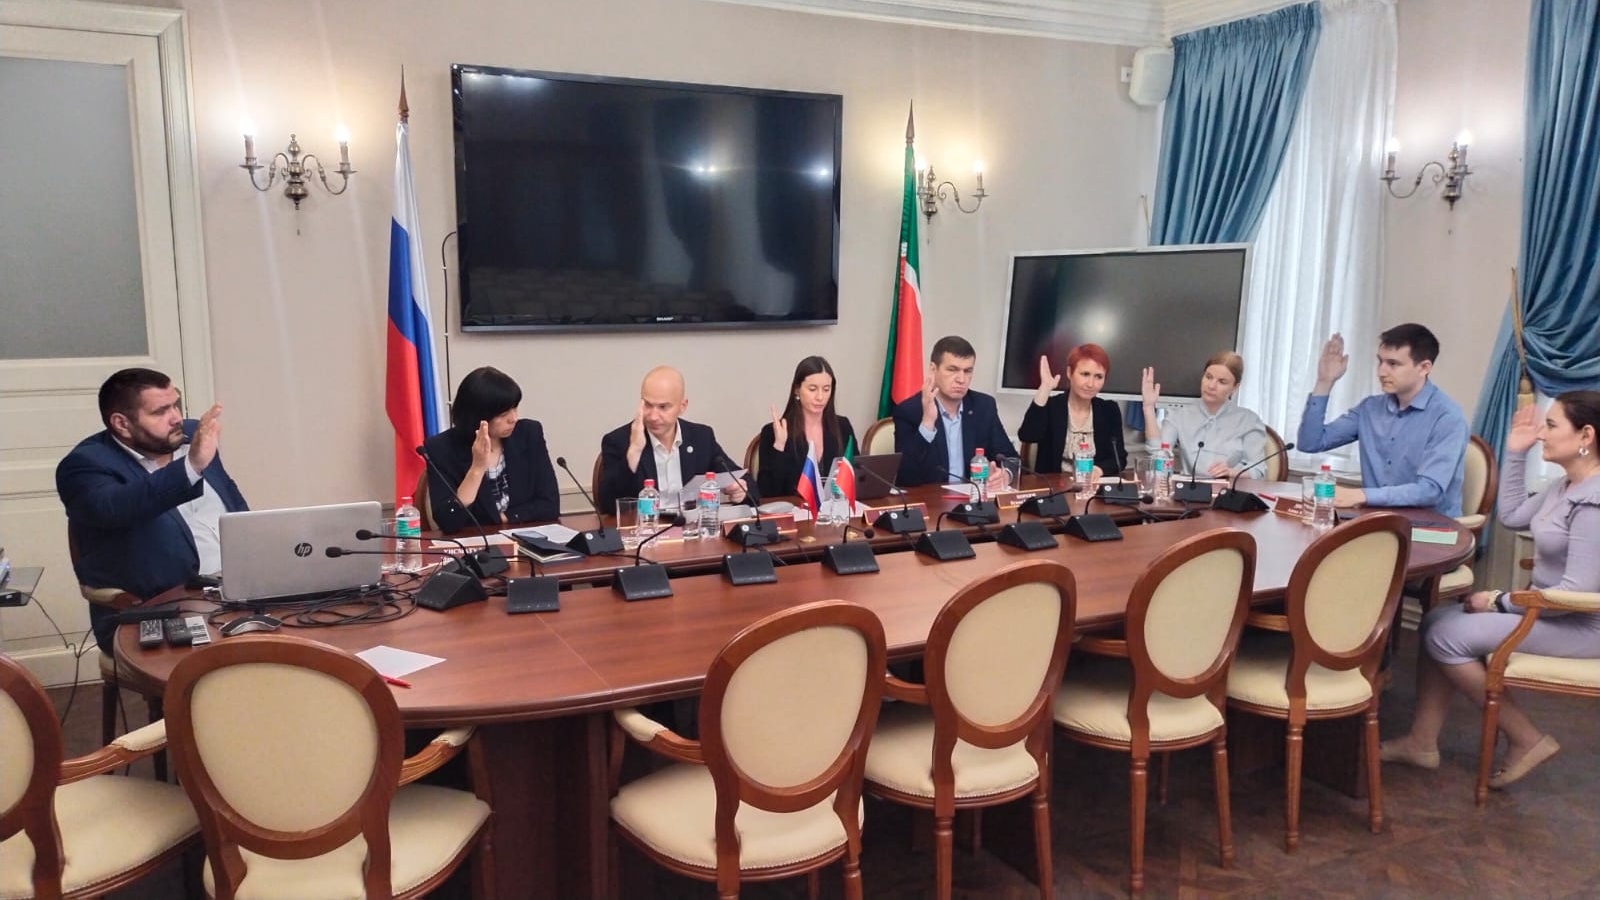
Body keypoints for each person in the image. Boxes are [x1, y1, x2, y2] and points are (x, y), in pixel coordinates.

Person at [1381, 392, 1600, 789]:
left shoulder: (1593, 502)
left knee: (1447, 637)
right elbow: (1513, 516)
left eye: (1552, 426)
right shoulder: (1566, 486)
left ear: (1586, 435)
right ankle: (1421, 742)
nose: (1542, 434)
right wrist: (1515, 454)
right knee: (1435, 620)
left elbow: (1577, 592)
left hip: (1581, 626)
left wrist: (1499, 601)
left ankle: (1526, 737)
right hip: (1549, 611)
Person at [56, 368, 249, 652]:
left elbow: (234, 505)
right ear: (122, 424)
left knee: (302, 647)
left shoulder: (193, 435)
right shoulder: (85, 466)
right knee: (229, 665)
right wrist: (191, 466)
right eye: (160, 412)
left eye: (175, 405)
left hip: (236, 597)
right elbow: (117, 507)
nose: (176, 418)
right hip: (154, 611)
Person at [1297, 323, 1468, 516]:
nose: (1381, 372)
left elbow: (1430, 490)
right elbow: (1310, 443)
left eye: (1393, 364)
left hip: (1429, 526)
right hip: (1376, 521)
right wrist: (1324, 381)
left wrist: (1361, 495)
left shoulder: (1447, 417)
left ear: (1423, 368)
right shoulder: (1370, 408)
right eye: (1380, 361)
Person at [423, 367, 560, 532]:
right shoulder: (441, 448)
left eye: (515, 408)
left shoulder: (529, 434)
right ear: (478, 416)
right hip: (475, 544)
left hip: (526, 538)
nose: (513, 419)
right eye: (503, 414)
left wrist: (507, 518)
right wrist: (477, 468)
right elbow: (448, 521)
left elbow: (550, 505)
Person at [598, 366, 748, 511]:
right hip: (647, 525)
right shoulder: (619, 441)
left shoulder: (701, 437)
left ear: (682, 406)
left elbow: (744, 480)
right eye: (648, 405)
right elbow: (607, 505)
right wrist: (634, 452)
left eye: (663, 407)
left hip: (692, 526)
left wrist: (741, 491)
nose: (653, 416)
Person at [893, 335, 1016, 489]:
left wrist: (1005, 475)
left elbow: (1010, 458)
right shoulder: (909, 411)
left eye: (968, 371)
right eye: (952, 370)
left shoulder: (983, 406)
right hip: (930, 500)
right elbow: (905, 475)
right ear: (933, 369)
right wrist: (927, 423)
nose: (961, 379)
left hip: (973, 499)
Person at [1140, 351, 1269, 478]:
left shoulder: (1249, 420)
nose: (1211, 386)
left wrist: (1231, 472)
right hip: (1188, 489)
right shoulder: (1179, 415)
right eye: (1208, 377)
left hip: (1229, 489)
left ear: (1235, 387)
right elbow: (1160, 454)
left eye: (1222, 382)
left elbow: (1258, 471)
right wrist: (1149, 408)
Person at [1018, 343, 1127, 479]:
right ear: (1070, 373)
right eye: (1085, 374)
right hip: (1055, 486)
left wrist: (1099, 470)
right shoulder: (1052, 406)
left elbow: (1119, 458)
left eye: (1098, 377)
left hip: (1093, 486)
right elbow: (1027, 436)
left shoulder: (1109, 410)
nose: (1091, 384)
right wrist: (1045, 388)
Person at [757, 356, 857, 499]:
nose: (820, 397)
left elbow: (857, 475)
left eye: (826, 389)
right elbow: (766, 493)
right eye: (812, 389)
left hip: (836, 508)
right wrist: (779, 446)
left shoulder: (842, 426)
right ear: (797, 390)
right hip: (795, 510)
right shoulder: (772, 432)